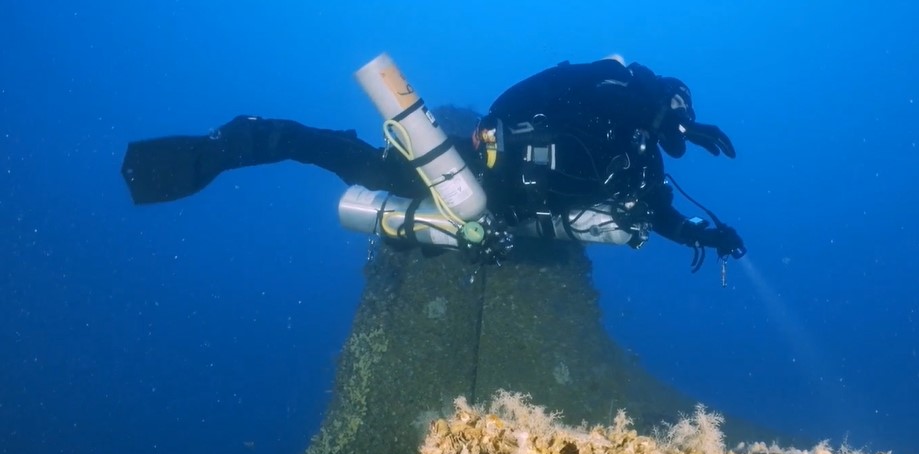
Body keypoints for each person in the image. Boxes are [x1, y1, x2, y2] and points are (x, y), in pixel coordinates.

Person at [121, 57, 746, 269]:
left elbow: (658, 214)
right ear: (666, 98)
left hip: (492, 212)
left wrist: (704, 235)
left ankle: (296, 146)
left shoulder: (641, 164)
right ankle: (243, 142)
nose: (679, 131)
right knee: (355, 163)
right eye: (677, 111)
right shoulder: (612, 95)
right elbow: (570, 80)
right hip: (484, 172)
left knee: (397, 200)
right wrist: (672, 113)